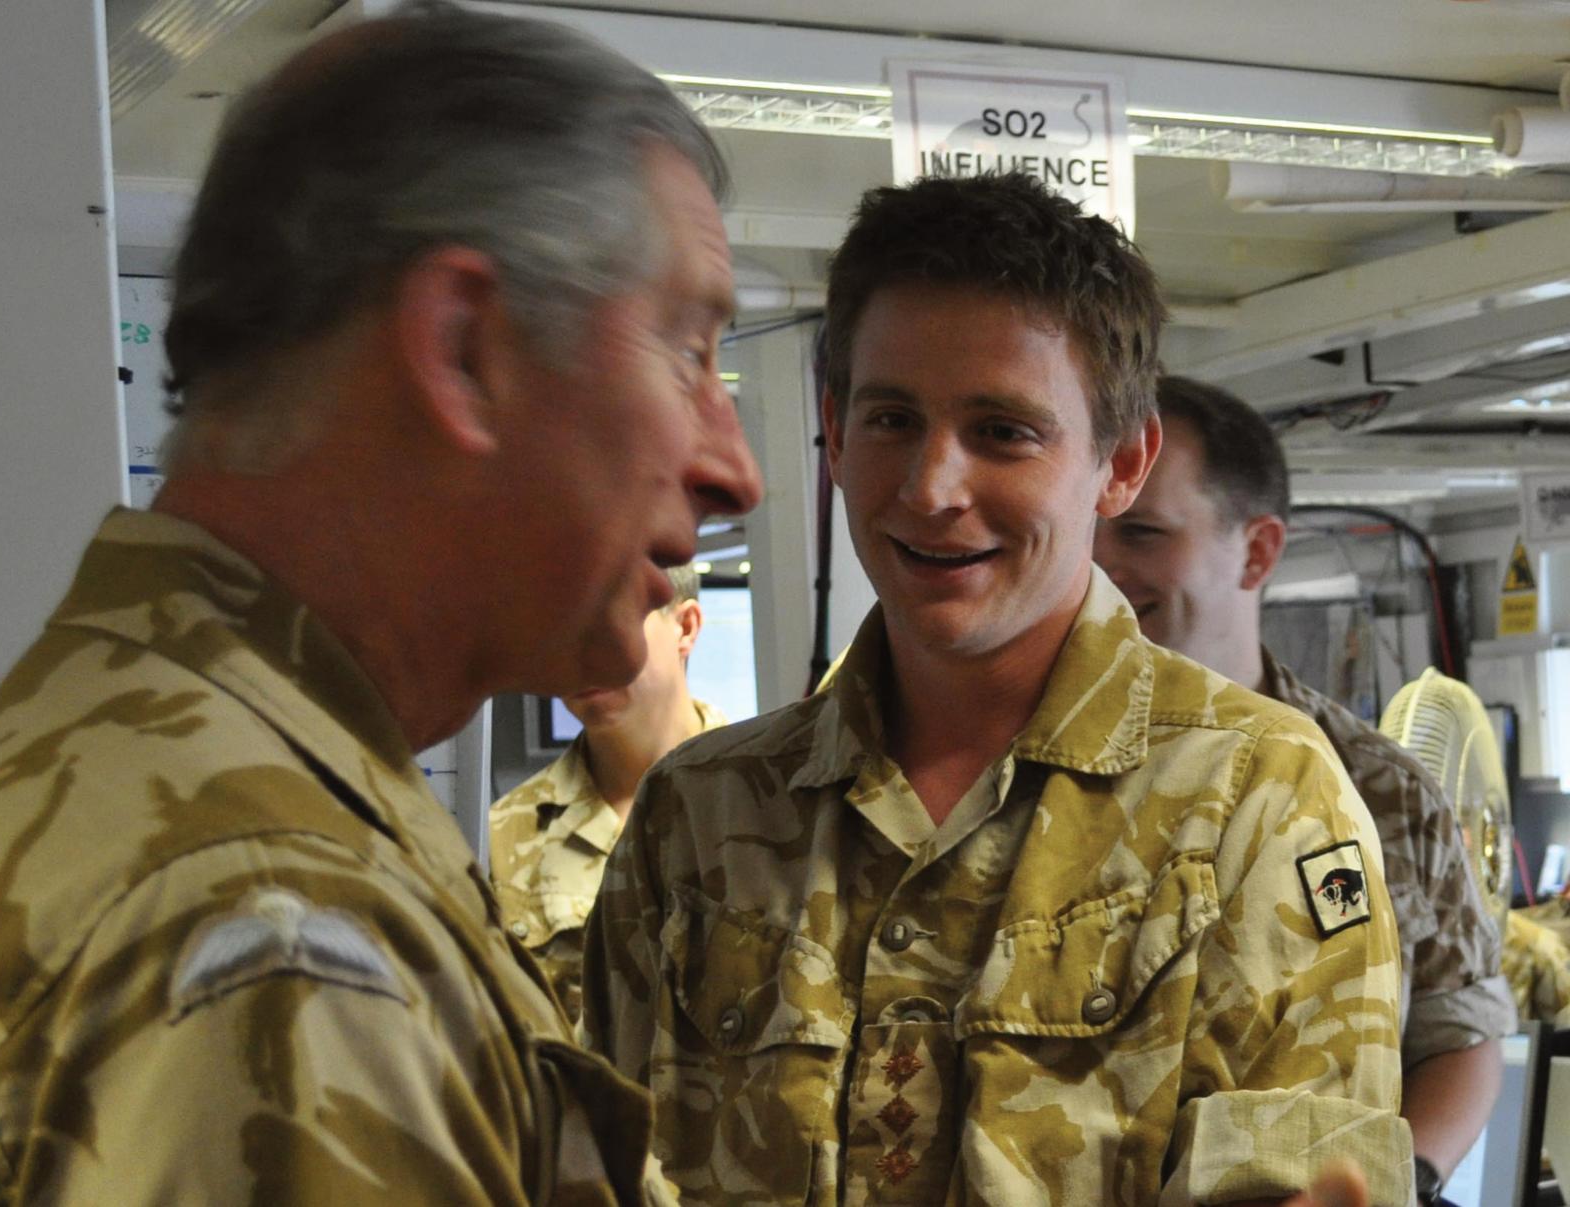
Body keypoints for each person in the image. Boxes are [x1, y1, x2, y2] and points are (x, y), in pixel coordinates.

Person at [0, 5, 761, 1202]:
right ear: (462, 352)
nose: (734, 467)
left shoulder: (161, 762)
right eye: (687, 350)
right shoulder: (272, 927)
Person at [581, 172, 1411, 1206]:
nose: (931, 487)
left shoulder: (1257, 802)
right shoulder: (698, 815)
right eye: (891, 419)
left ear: (1121, 462)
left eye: (1003, 432)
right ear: (832, 434)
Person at [1094, 374, 1517, 1206]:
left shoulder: (1377, 788)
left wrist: (1407, 1181)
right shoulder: (1014, 767)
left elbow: (1461, 1033)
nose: (1104, 564)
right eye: (1090, 531)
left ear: (1256, 550)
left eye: (1143, 533)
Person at [490, 565, 726, 1019]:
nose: (582, 651)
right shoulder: (506, 835)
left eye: (612, 618)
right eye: (562, 626)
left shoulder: (776, 806)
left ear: (685, 626)